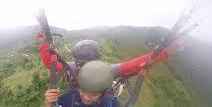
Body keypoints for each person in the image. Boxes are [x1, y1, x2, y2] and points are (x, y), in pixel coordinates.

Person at [36, 30, 182, 88]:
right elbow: (51, 64)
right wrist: (44, 44)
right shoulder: (74, 67)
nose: (82, 67)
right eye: (80, 63)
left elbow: (138, 64)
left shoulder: (107, 71)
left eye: (85, 64)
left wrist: (164, 53)